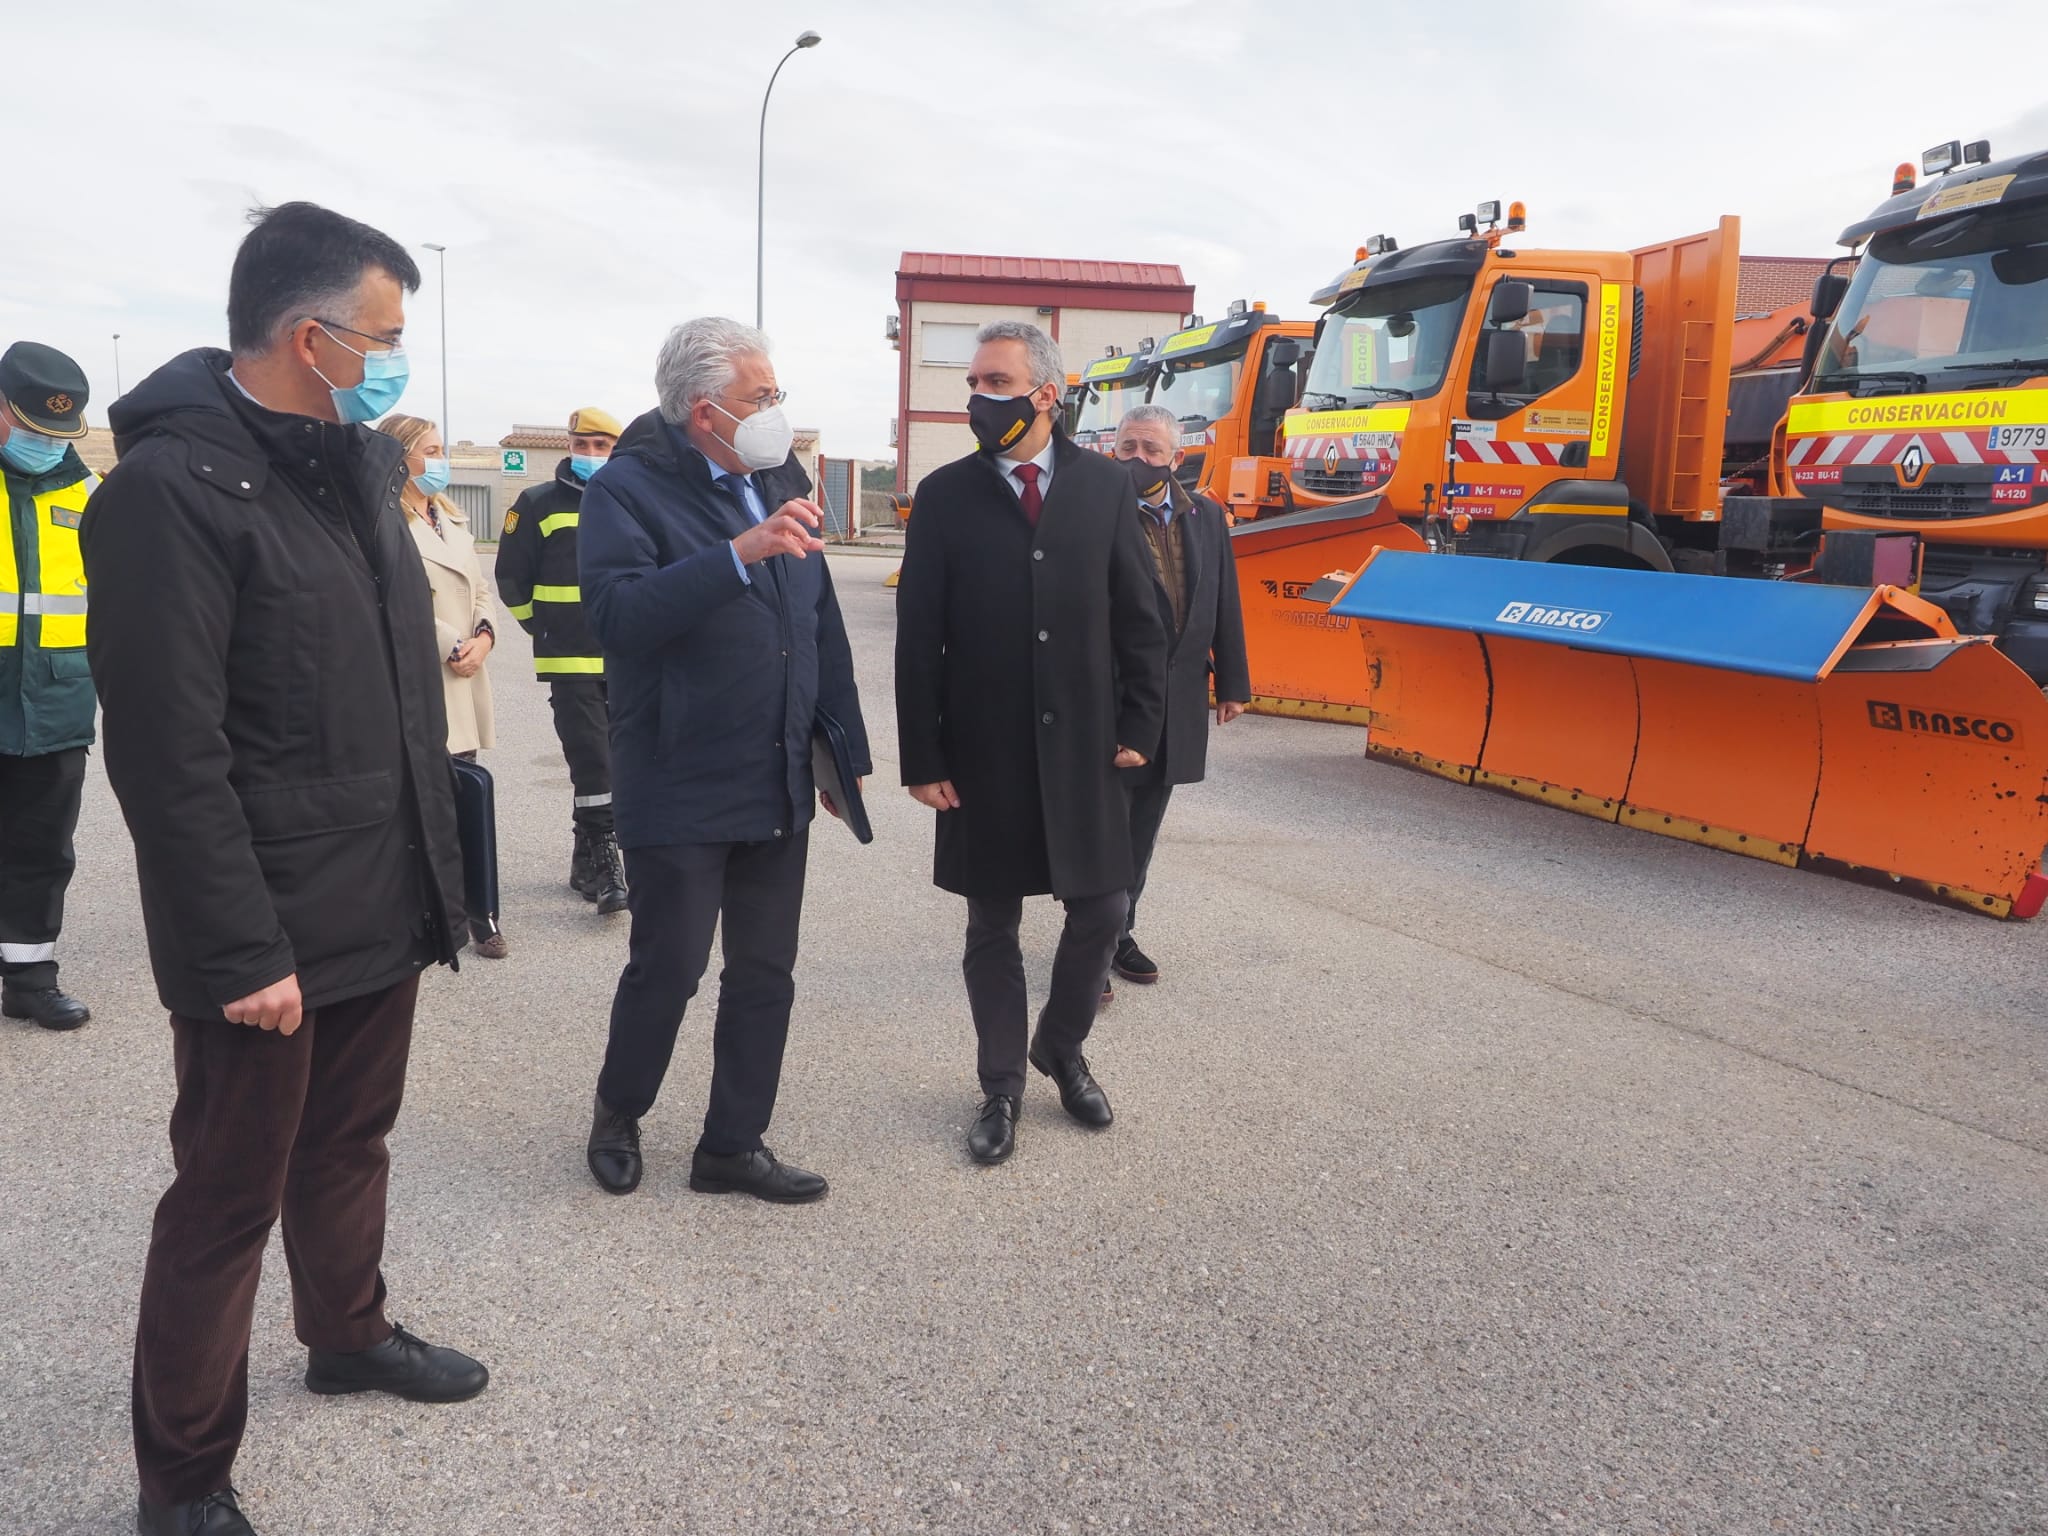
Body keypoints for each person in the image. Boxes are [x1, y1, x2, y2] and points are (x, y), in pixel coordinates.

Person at [83, 201, 487, 1536]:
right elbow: (168, 750)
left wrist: (437, 880)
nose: (394, 360)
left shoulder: (355, 471)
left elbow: (395, 697)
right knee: (225, 1199)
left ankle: (348, 1333)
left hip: (376, 893)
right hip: (268, 933)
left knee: (351, 1146)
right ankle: (183, 1477)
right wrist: (240, 949)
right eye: (382, 335)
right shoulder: (169, 492)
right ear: (310, 338)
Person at [579, 316, 869, 1204]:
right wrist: (737, 554)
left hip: (777, 768)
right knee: (670, 967)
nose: (776, 410)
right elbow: (620, 618)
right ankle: (619, 1111)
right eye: (761, 396)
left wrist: (842, 748)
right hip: (680, 774)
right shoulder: (625, 490)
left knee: (765, 972)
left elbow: (818, 621)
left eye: (776, 392)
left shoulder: (779, 476)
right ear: (704, 412)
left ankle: (733, 1146)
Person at [894, 320, 1167, 1167]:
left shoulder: (1104, 486)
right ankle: (1002, 1086)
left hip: (1085, 745)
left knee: (1104, 909)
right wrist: (923, 758)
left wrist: (1140, 724)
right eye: (975, 383)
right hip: (984, 750)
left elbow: (1140, 617)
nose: (980, 398)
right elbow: (919, 637)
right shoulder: (945, 495)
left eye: (998, 383)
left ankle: (1062, 1046)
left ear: (1047, 393)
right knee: (993, 925)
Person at [1108, 403, 1251, 988]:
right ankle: (1090, 944)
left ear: (1177, 458)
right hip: (1114, 699)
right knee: (1104, 827)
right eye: (1128, 448)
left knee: (1143, 828)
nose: (1138, 459)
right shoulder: (1095, 513)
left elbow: (1223, 597)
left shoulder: (1207, 516)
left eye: (1151, 450)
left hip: (1180, 696)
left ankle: (1120, 933)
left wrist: (1233, 682)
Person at [377, 412, 507, 958]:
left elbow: (480, 588)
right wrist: (451, 644)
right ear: (398, 456)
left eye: (440, 448)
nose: (440, 460)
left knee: (464, 793)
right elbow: (389, 594)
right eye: (429, 450)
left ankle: (477, 910)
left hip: (466, 670)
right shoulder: (381, 518)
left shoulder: (450, 516)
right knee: (423, 800)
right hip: (423, 671)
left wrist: (485, 636)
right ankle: (429, 911)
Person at [0, 342, 98, 1032]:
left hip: (56, 705)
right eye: (32, 427)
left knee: (41, 851)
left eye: (58, 432)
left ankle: (31, 981)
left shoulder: (89, 495)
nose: (46, 443)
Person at [495, 407, 628, 915]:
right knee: (592, 760)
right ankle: (607, 864)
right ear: (568, 446)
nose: (590, 454)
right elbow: (511, 580)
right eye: (582, 444)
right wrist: (545, 629)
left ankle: (584, 862)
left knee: (617, 763)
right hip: (569, 660)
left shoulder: (632, 500)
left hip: (626, 659)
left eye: (601, 446)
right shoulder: (536, 503)